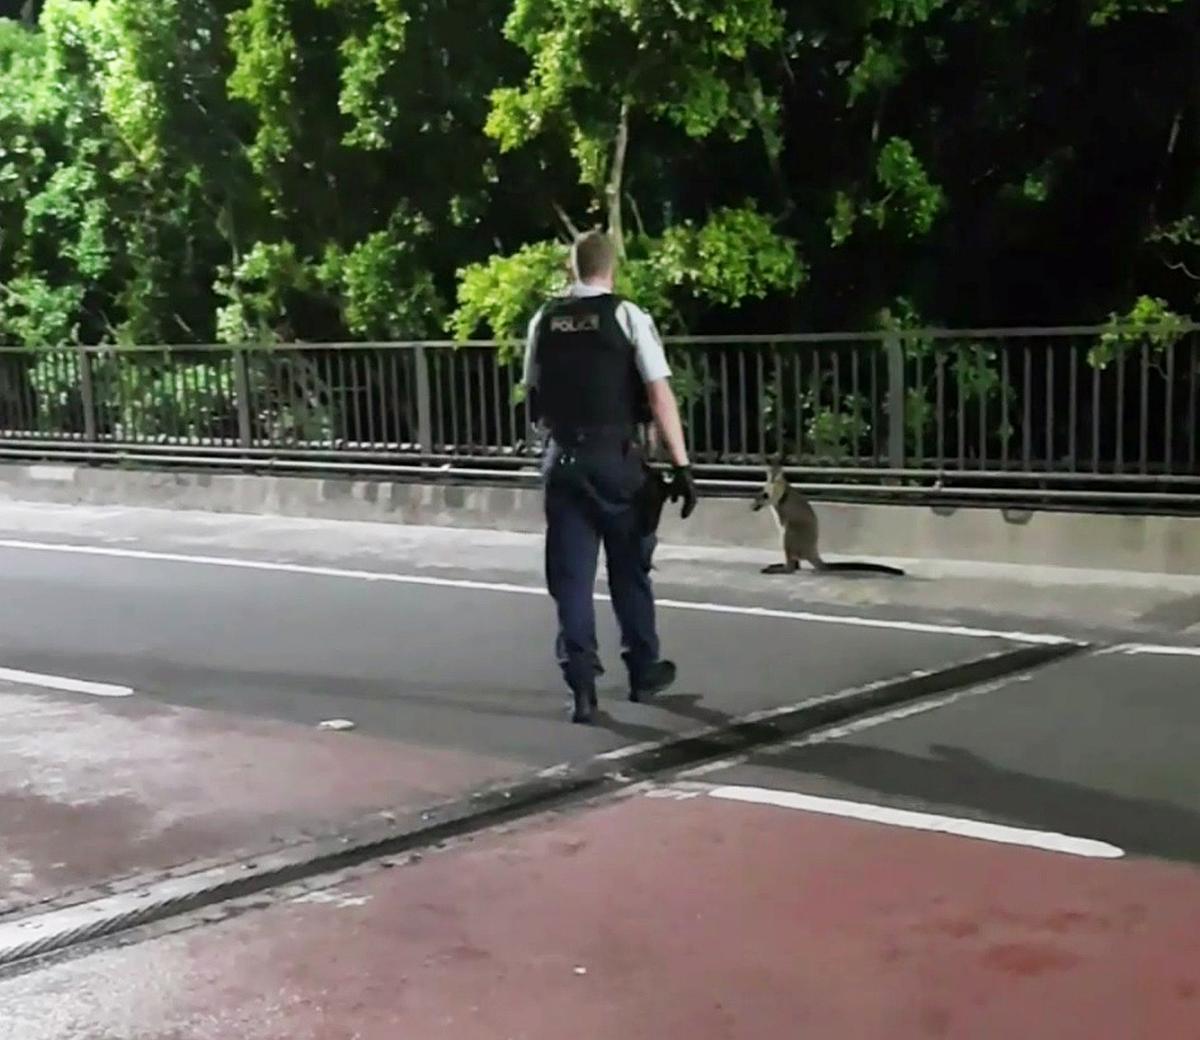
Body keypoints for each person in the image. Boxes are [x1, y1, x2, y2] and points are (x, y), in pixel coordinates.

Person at [523, 229, 698, 725]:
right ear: (611, 267)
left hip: (562, 460)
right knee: (629, 568)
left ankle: (581, 686)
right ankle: (643, 668)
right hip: (616, 458)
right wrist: (681, 466)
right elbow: (660, 394)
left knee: (571, 579)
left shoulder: (544, 320)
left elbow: (533, 396)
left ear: (572, 269)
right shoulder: (626, 315)